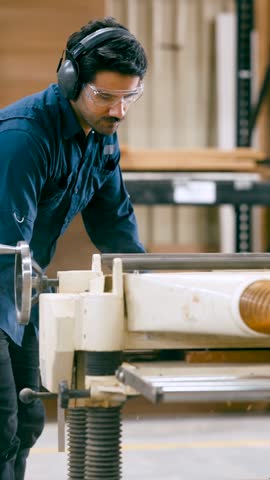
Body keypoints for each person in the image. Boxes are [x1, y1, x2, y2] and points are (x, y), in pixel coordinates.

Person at [0, 16, 148, 479]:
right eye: (105, 96)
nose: (118, 112)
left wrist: (151, 295)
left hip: (17, 293)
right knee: (1, 425)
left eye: (130, 98)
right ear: (70, 80)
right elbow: (6, 249)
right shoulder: (24, 137)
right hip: (6, 281)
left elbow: (115, 223)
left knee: (25, 422)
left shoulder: (101, 139)